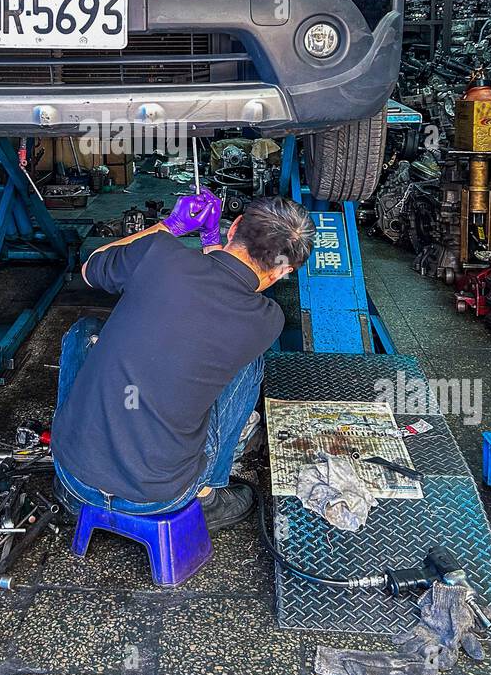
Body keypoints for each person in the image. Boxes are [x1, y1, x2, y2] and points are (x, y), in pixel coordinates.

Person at [51, 195, 316, 531]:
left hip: (74, 479)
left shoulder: (159, 254)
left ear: (234, 227)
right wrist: (213, 247)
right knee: (247, 365)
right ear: (284, 271)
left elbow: (91, 267)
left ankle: (74, 461)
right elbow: (212, 303)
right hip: (161, 495)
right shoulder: (266, 320)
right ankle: (208, 494)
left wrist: (170, 227)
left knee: (84, 331)